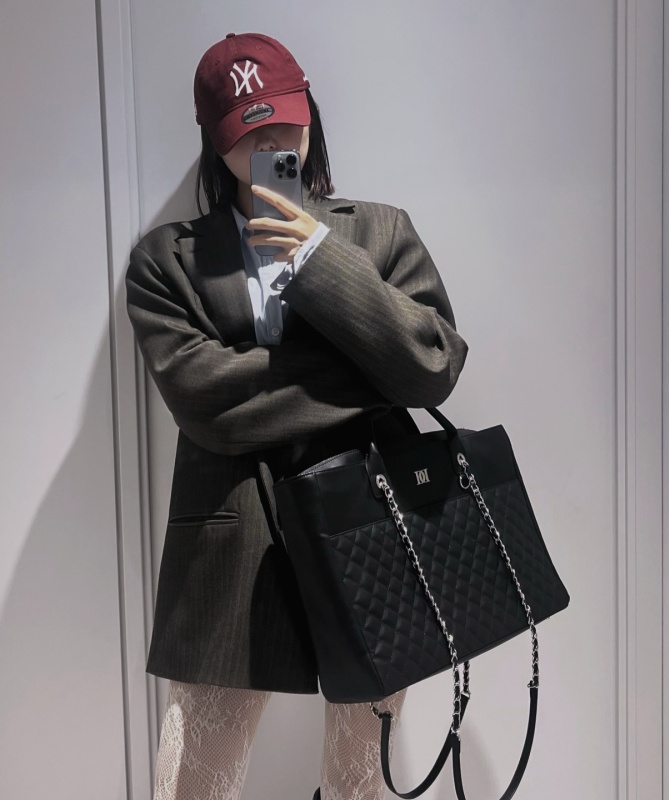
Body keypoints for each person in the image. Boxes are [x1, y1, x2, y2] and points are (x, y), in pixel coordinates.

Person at [125, 31, 468, 800]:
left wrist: (321, 260)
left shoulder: (379, 231)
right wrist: (371, 376)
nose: (270, 140)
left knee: (359, 779)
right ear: (216, 141)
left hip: (375, 525)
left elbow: (433, 366)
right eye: (248, 129)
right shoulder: (167, 260)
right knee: (192, 783)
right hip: (233, 539)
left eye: (282, 116)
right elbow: (209, 402)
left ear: (309, 110)